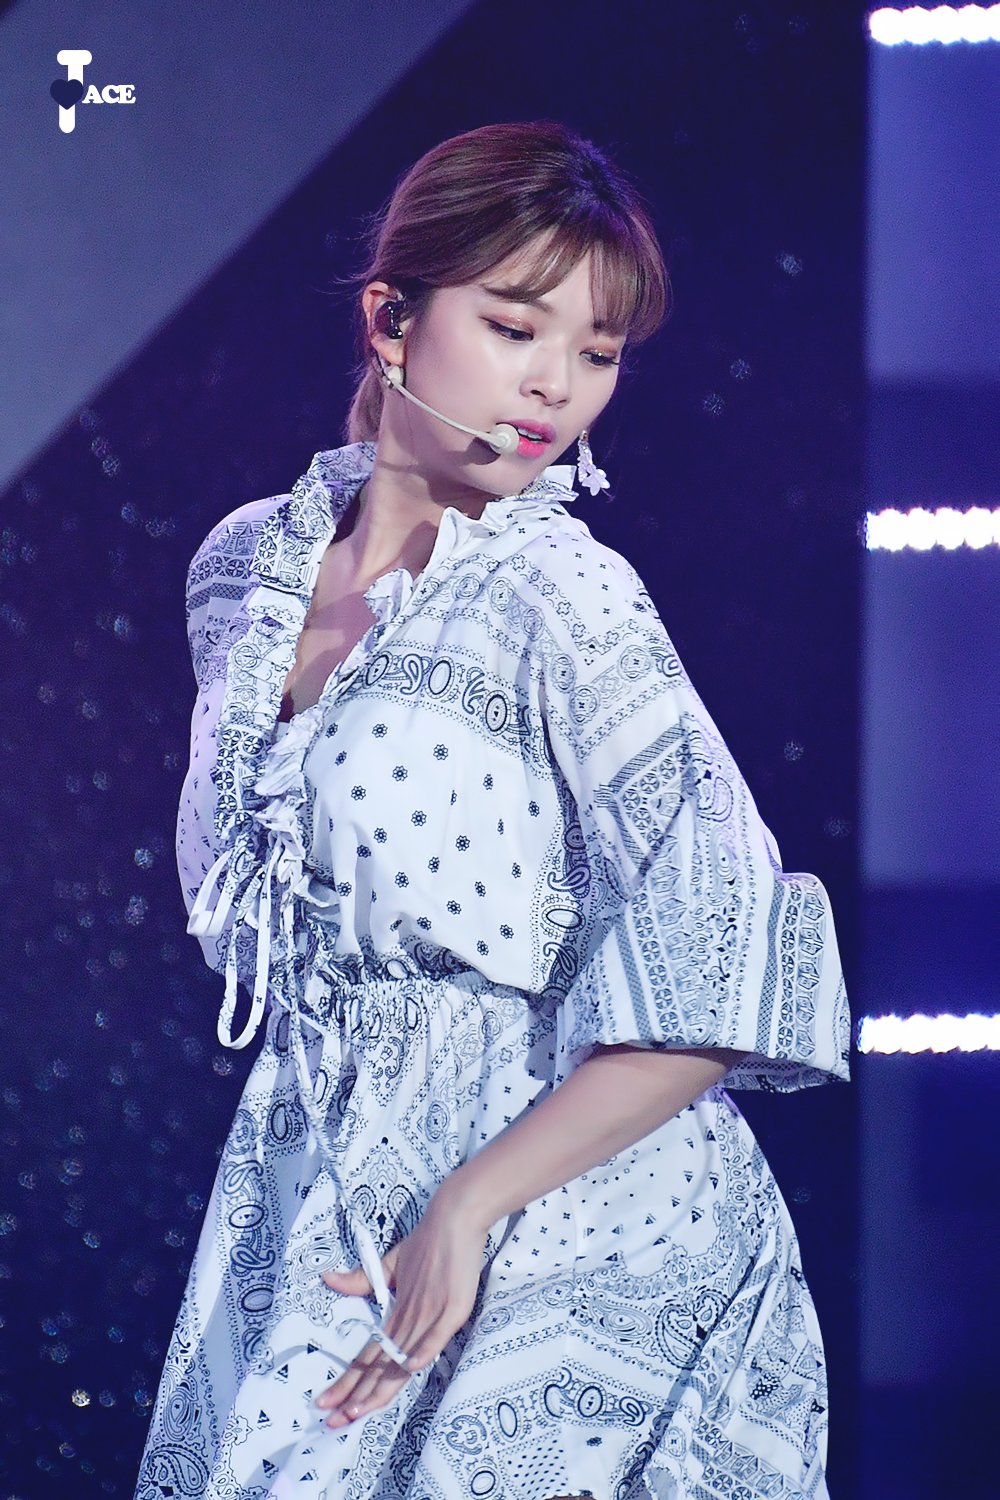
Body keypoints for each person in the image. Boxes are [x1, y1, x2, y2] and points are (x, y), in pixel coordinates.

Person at [135, 120, 850, 1500]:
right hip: (321, 1173)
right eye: (516, 328)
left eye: (598, 353)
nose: (555, 388)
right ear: (390, 320)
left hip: (577, 1226)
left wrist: (471, 1202)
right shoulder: (244, 572)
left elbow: (728, 948)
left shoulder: (562, 591)